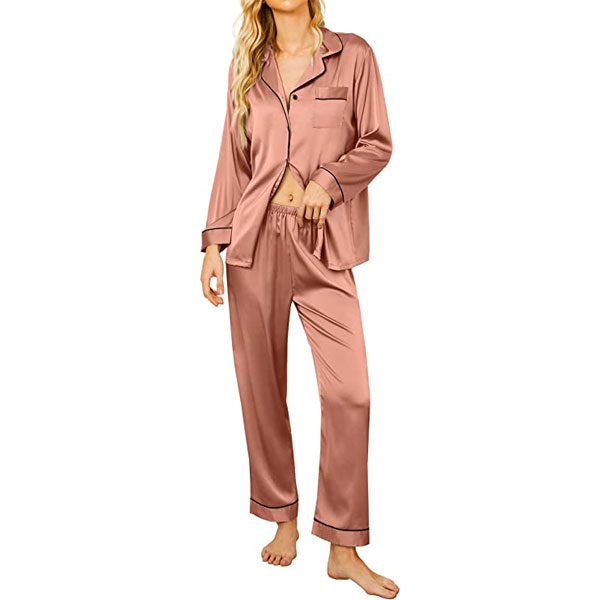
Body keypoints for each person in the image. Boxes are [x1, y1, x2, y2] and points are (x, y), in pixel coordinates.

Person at [200, 1, 397, 597]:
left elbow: (378, 142)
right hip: (254, 242)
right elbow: (233, 163)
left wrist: (329, 183)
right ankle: (280, 516)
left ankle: (343, 545)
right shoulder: (247, 65)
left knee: (351, 393)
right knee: (261, 387)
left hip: (323, 242)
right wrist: (213, 244)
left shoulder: (353, 54)